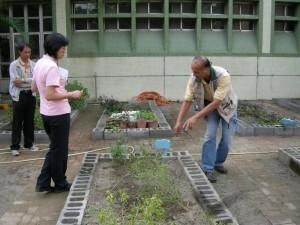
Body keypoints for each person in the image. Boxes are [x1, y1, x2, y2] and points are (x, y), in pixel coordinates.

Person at [31, 32, 82, 193]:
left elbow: (34, 87)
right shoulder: (52, 67)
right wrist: (71, 94)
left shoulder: (40, 63)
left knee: (55, 149)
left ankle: (43, 182)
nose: (64, 52)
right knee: (59, 151)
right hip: (58, 115)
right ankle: (60, 183)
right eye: (62, 49)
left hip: (46, 113)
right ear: (55, 48)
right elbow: (50, 94)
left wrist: (58, 85)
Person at [174, 56, 238, 183]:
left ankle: (218, 162)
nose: (193, 74)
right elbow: (187, 100)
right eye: (193, 70)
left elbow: (217, 102)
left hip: (227, 108)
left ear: (206, 69)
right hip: (210, 109)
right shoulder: (193, 79)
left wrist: (195, 117)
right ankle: (208, 168)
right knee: (210, 136)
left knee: (227, 140)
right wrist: (179, 121)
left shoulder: (223, 76)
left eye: (197, 71)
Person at [9, 43, 39, 156]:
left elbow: (36, 80)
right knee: (17, 122)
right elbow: (16, 82)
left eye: (29, 52)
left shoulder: (34, 64)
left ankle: (29, 144)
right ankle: (15, 147)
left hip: (31, 95)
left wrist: (23, 80)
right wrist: (29, 81)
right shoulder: (14, 65)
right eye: (25, 52)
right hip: (19, 96)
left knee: (29, 121)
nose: (28, 54)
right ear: (20, 52)